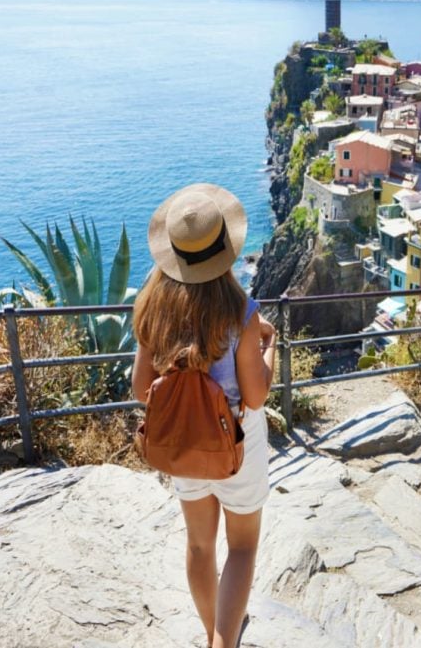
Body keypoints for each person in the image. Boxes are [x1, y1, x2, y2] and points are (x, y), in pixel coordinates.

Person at [132, 183, 275, 648]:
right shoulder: (242, 313)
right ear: (226, 251)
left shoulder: (153, 309)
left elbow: (140, 389)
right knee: (243, 546)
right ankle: (224, 641)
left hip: (183, 444)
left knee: (198, 546)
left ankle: (214, 633)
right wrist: (268, 349)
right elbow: (255, 397)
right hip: (236, 443)